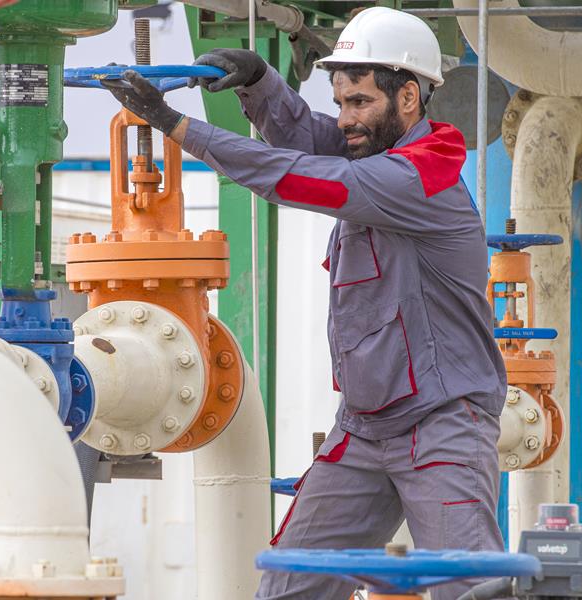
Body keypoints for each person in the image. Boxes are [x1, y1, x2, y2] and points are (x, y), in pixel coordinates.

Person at [103, 6, 507, 600]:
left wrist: (177, 125)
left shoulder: (420, 179)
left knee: (469, 588)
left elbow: (296, 174)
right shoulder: (372, 151)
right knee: (290, 587)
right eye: (340, 102)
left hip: (441, 422)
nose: (345, 119)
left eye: (359, 102)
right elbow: (307, 139)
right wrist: (259, 82)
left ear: (409, 98)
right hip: (365, 428)